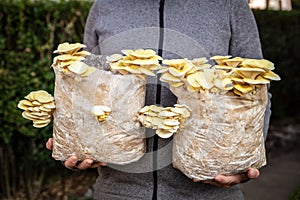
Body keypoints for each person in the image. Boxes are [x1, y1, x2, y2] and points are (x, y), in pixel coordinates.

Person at [46, 0, 271, 199]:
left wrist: (240, 163)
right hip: (118, 191)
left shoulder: (228, 5)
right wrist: (81, 146)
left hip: (208, 194)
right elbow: (85, 88)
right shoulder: (106, 5)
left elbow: (257, 93)